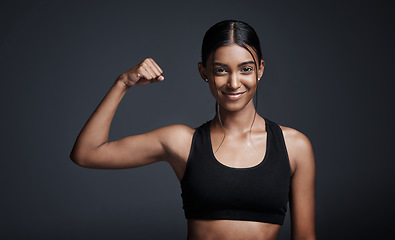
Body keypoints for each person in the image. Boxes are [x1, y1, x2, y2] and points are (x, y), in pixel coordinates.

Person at [70, 20, 316, 240]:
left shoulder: (294, 146)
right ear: (204, 72)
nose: (233, 82)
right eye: (221, 70)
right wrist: (122, 83)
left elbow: (305, 236)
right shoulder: (181, 142)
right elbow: (87, 153)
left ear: (260, 69)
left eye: (246, 69)